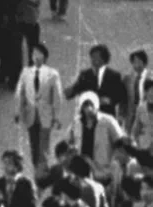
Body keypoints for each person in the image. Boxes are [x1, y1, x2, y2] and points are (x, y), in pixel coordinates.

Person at [14, 43, 62, 178]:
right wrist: (17, 111)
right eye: (33, 54)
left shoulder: (52, 74)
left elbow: (57, 96)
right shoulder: (26, 72)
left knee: (43, 147)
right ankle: (37, 171)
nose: (35, 57)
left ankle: (43, 173)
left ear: (44, 57)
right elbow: (19, 92)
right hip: (31, 115)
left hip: (45, 115)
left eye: (38, 54)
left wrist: (56, 116)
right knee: (34, 145)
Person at [66, 93, 123, 183]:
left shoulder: (108, 121)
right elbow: (68, 142)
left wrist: (114, 162)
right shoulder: (76, 123)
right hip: (82, 169)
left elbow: (120, 142)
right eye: (85, 105)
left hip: (103, 170)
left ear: (96, 105)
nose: (89, 108)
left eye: (91, 104)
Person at [64, 46, 127, 122]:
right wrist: (65, 93)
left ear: (104, 58)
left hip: (107, 117)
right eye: (92, 57)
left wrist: (110, 100)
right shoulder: (84, 74)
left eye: (96, 57)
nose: (93, 59)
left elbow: (122, 96)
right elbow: (75, 89)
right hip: (87, 118)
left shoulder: (114, 75)